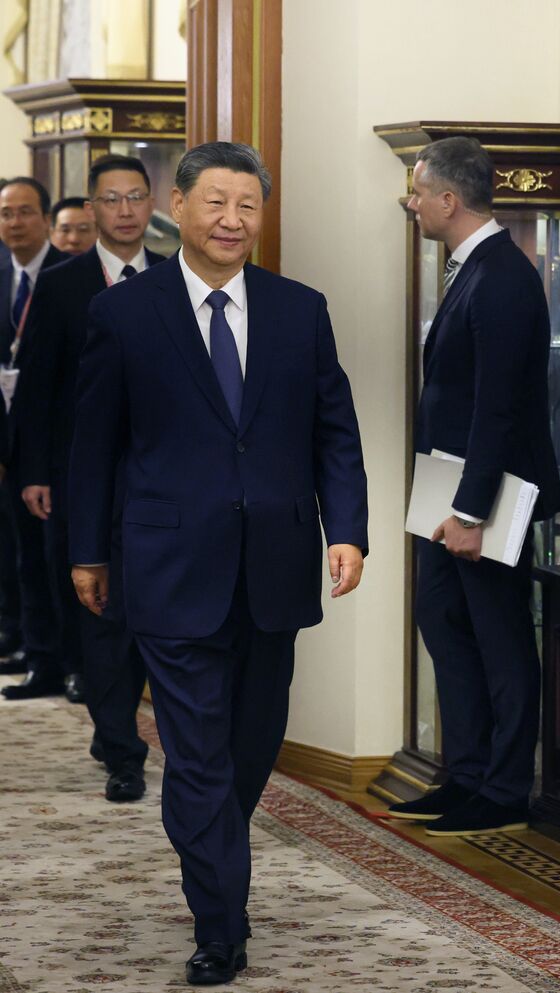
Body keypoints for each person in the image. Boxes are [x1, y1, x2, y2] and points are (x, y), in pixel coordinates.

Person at [68, 141, 369, 986]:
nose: (233, 220)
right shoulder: (127, 314)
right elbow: (94, 445)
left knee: (251, 741)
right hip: (167, 564)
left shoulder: (299, 309)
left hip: (273, 564)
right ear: (181, 206)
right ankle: (220, 922)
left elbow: (332, 429)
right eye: (217, 203)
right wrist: (87, 549)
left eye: (249, 206)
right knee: (196, 752)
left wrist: (346, 527)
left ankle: (215, 856)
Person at [382, 136, 560, 837]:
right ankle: (464, 773)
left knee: (500, 637)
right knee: (444, 623)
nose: (412, 201)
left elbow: (500, 407)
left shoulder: (504, 277)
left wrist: (469, 510)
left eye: (418, 190)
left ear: (449, 200)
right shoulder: (472, 267)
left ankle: (505, 786)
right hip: (446, 490)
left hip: (484, 499)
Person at [15, 155, 164, 802]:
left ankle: (126, 733)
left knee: (156, 614)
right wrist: (34, 473)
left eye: (136, 197)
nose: (126, 210)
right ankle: (122, 750)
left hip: (164, 480)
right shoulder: (64, 283)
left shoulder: (176, 276)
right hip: (86, 477)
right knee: (99, 614)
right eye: (112, 199)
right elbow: (38, 389)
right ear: (93, 208)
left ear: (154, 203)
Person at [0, 177, 71, 700]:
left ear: (45, 219)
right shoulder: (2, 273)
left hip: (54, 440)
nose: (14, 223)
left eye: (25, 213)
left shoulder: (70, 276)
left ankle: (71, 661)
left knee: (57, 556)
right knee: (21, 554)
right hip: (8, 439)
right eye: (5, 214)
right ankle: (38, 655)